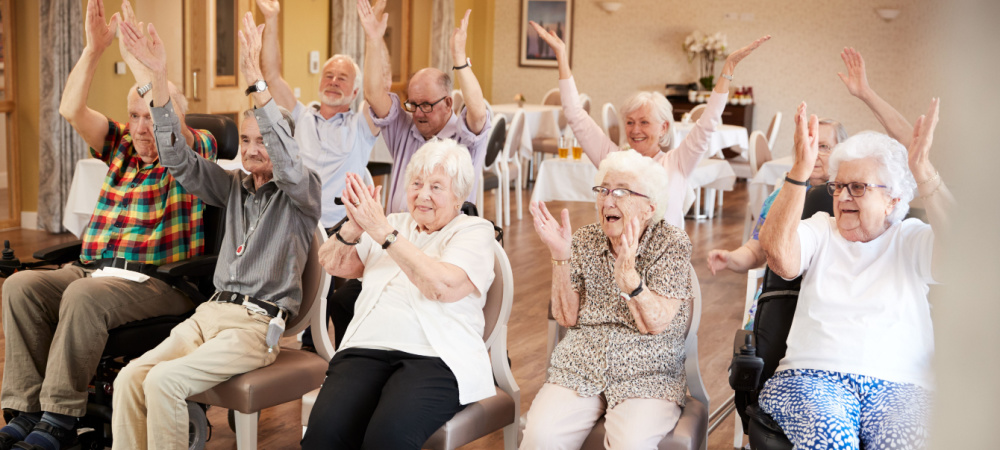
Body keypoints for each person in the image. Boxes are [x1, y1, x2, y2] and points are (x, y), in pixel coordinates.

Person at [0, 1, 217, 448]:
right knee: (18, 287)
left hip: (157, 282)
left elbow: (168, 123)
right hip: (96, 270)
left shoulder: (194, 154)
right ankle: (24, 411)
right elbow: (69, 109)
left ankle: (59, 420)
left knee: (83, 294)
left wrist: (149, 67)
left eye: (150, 116)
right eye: (133, 116)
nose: (141, 127)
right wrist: (94, 48)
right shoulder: (119, 145)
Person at [110, 12, 321, 449]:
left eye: (262, 139)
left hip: (255, 326)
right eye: (245, 140)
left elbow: (285, 158)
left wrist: (255, 81)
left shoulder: (303, 193)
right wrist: (159, 79)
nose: (251, 149)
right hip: (210, 314)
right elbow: (179, 161)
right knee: (131, 377)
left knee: (165, 382)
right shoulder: (234, 187)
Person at [758, 100, 952, 449]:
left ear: (892, 200)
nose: (843, 196)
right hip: (810, 376)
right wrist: (799, 173)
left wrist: (922, 171)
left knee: (904, 439)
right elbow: (779, 258)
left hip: (903, 385)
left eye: (858, 187)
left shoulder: (911, 238)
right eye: (838, 186)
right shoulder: (820, 229)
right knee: (831, 436)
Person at [301, 140, 497, 449]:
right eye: (416, 184)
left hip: (437, 356)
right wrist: (353, 228)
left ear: (459, 195)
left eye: (436, 186)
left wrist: (383, 234)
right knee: (323, 436)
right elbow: (332, 263)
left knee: (387, 439)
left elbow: (441, 286)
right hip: (366, 348)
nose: (423, 195)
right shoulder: (394, 222)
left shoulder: (474, 231)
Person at [520, 150, 695, 449]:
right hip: (581, 364)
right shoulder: (586, 239)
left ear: (648, 207)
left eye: (621, 192)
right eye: (603, 190)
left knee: (631, 444)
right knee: (540, 437)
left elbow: (657, 323)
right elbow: (566, 317)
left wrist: (630, 279)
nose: (608, 200)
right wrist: (560, 256)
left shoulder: (671, 243)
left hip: (647, 372)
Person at [528, 21, 769, 227]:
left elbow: (707, 123)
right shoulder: (612, 159)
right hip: (619, 259)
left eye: (644, 122)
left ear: (664, 128)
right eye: (630, 122)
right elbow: (575, 115)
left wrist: (727, 70)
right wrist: (561, 55)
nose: (635, 130)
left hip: (665, 265)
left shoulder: (678, 162)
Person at [256, 0, 380, 350]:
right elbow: (271, 76)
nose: (334, 81)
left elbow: (377, 91)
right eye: (329, 75)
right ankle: (294, 344)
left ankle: (340, 352)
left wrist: (373, 38)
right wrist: (272, 18)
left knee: (341, 303)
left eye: (343, 78)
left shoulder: (361, 125)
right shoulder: (299, 116)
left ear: (355, 91)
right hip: (301, 225)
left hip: (345, 226)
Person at [358, 0, 491, 214]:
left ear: (448, 103)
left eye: (427, 105)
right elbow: (374, 95)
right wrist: (373, 39)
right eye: (413, 104)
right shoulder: (404, 130)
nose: (418, 113)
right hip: (398, 236)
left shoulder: (465, 139)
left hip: (445, 241)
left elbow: (477, 112)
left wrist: (459, 58)